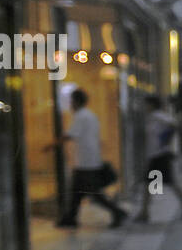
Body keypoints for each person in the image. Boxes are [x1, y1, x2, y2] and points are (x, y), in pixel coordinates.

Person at [54, 88, 127, 228]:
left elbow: (70, 135)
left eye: (71, 101)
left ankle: (117, 212)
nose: (70, 104)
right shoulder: (90, 115)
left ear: (76, 101)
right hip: (87, 160)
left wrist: (52, 144)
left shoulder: (81, 116)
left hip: (85, 162)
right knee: (77, 192)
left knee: (93, 193)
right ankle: (70, 218)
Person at [135, 95, 182, 222]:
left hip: (160, 156)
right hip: (155, 156)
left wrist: (165, 139)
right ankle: (144, 212)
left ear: (151, 105)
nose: (144, 107)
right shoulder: (151, 118)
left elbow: (174, 124)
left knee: (169, 183)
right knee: (150, 184)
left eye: (146, 104)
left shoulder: (159, 116)